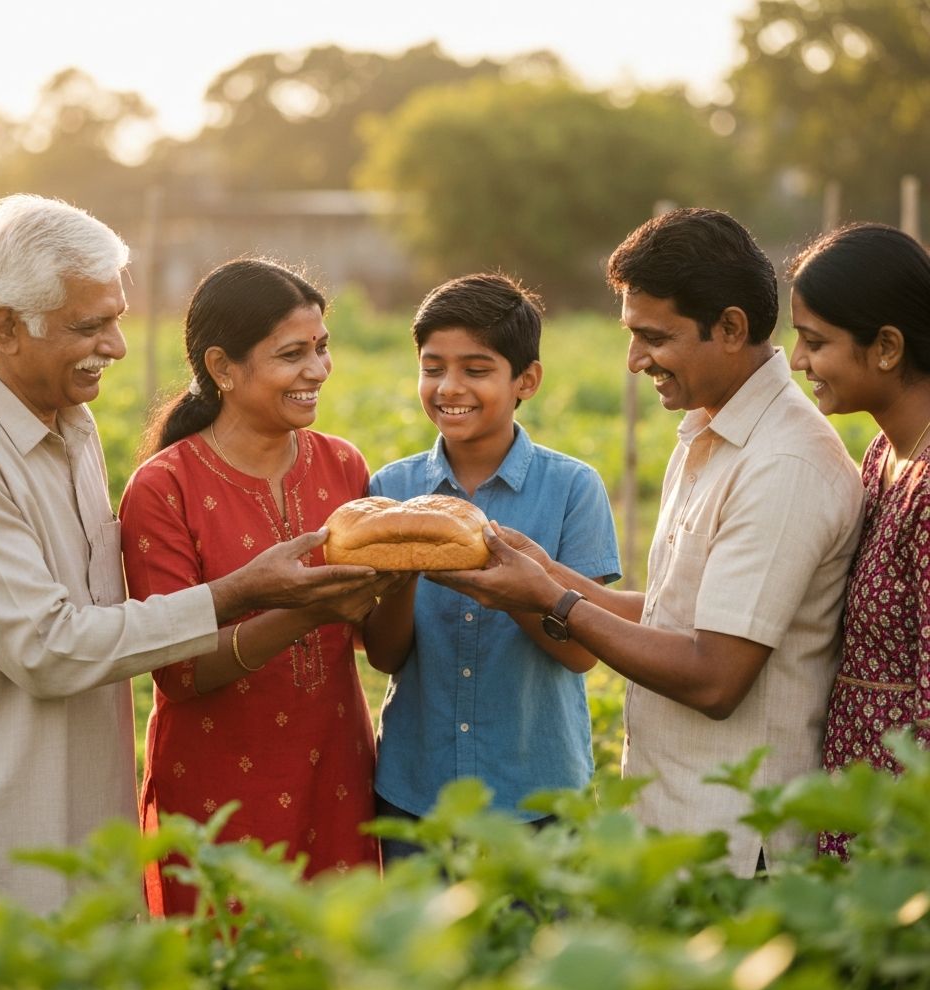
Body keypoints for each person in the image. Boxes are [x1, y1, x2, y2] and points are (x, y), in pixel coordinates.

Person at [0, 196, 376, 925]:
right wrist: (237, 593)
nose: (118, 346)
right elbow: (47, 647)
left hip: (88, 811)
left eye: (117, 318)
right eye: (90, 326)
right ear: (5, 327)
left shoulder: (70, 422)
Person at [432, 209, 865, 877]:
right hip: (677, 817)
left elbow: (715, 676)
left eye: (653, 338)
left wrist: (550, 598)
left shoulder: (785, 463)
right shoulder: (709, 432)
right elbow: (676, 617)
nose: (635, 362)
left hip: (735, 846)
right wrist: (547, 572)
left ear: (730, 328)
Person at [119, 257, 398, 915]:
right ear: (223, 368)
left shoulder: (343, 464)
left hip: (335, 763)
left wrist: (403, 574)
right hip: (218, 780)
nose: (318, 371)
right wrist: (302, 610)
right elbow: (180, 672)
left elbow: (377, 647)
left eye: (322, 348)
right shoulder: (165, 488)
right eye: (292, 354)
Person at [361, 272, 621, 861]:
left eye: (477, 370)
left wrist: (517, 593)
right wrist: (400, 578)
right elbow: (384, 657)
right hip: (416, 791)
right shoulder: (393, 489)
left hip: (537, 795)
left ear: (525, 379)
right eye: (432, 367)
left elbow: (581, 652)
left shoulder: (573, 487)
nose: (450, 387)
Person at [787, 223, 930, 858]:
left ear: (888, 346)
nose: (796, 361)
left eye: (815, 342)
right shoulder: (881, 455)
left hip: (903, 831)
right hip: (859, 807)